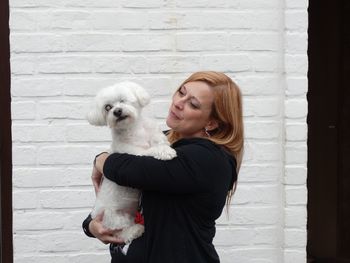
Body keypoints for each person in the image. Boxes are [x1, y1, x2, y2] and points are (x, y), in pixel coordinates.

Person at [82, 71, 244, 263]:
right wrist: (91, 226)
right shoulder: (162, 139)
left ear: (211, 122)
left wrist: (101, 160)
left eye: (193, 104)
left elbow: (132, 170)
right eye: (181, 92)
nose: (178, 103)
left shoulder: (209, 160)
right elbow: (117, 190)